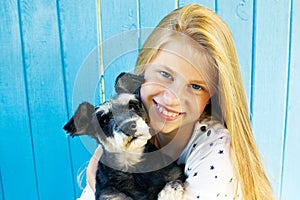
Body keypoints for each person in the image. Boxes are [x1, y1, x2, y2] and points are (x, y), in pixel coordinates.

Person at [78, 4, 274, 200]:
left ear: (211, 97)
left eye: (196, 86)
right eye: (165, 74)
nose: (172, 98)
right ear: (144, 69)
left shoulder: (217, 151)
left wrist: (98, 186)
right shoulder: (128, 121)